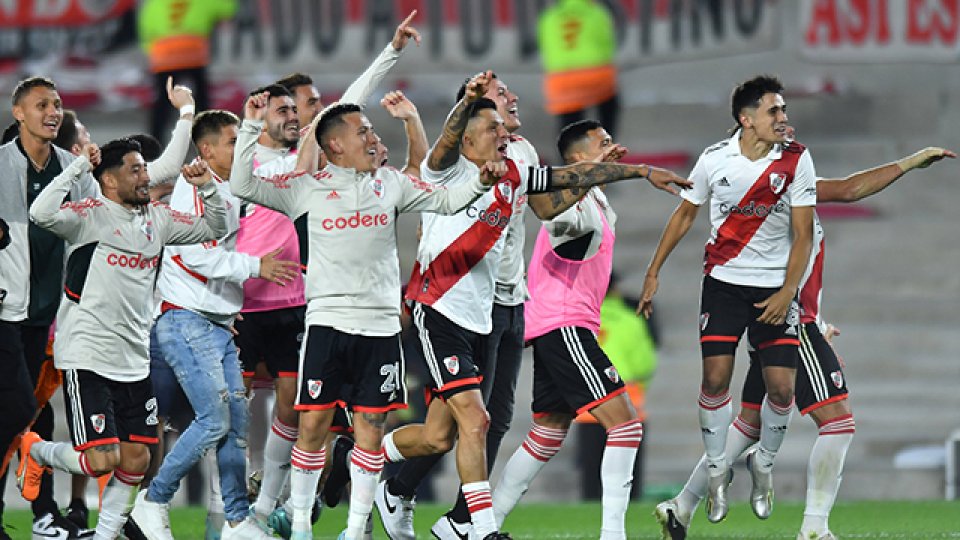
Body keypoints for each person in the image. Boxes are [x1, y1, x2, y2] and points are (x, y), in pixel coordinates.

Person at [375, 73, 688, 540]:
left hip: (498, 308)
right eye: (495, 112)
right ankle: (475, 525)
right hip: (445, 306)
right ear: (469, 131)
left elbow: (559, 181)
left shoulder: (517, 166)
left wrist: (640, 171)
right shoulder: (450, 168)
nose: (508, 114)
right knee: (479, 420)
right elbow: (443, 156)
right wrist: (446, 109)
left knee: (463, 430)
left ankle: (387, 472)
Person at [230, 82, 501, 539]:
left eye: (373, 131)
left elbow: (447, 200)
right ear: (335, 144)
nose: (374, 139)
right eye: (364, 132)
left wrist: (479, 183)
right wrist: (250, 127)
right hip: (327, 322)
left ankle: (355, 531)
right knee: (313, 424)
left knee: (371, 427)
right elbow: (242, 184)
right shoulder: (305, 188)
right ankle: (301, 526)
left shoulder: (391, 184)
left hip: (379, 327)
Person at [653, 144, 955, 540]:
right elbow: (845, 192)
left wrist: (910, 163)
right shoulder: (767, 201)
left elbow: (849, 187)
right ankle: (814, 528)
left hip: (786, 320)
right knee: (838, 422)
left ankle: (681, 506)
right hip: (791, 323)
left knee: (749, 425)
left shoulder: (795, 189)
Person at [239, 15, 422, 535]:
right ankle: (257, 512)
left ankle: (289, 509)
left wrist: (391, 51)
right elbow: (233, 197)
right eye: (302, 105)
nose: (311, 112)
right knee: (269, 416)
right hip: (260, 298)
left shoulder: (317, 161)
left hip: (310, 299)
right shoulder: (278, 167)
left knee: (315, 416)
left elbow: (353, 103)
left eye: (315, 106)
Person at [17, 137, 227, 540]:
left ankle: (105, 536)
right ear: (109, 181)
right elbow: (40, 212)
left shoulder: (158, 219)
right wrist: (79, 167)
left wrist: (208, 190)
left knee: (137, 459)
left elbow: (215, 227)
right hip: (87, 352)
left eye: (145, 168)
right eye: (136, 169)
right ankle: (37, 450)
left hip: (133, 358)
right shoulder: (90, 215)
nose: (145, 176)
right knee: (102, 460)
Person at [639, 74, 817, 524]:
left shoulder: (796, 159)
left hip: (774, 287)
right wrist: (654, 270)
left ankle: (763, 464)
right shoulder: (714, 159)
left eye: (784, 109)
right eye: (774, 110)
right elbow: (685, 214)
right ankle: (718, 470)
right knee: (716, 380)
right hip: (723, 285)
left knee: (782, 389)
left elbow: (803, 234)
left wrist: (788, 291)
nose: (783, 117)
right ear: (746, 118)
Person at [491, 120, 666, 540]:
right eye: (602, 143)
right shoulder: (569, 205)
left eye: (610, 139)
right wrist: (614, 175)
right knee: (625, 426)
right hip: (564, 323)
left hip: (560, 323)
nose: (612, 147)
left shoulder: (596, 201)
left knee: (548, 433)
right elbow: (550, 213)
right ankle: (612, 534)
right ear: (577, 160)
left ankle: (480, 525)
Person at [129, 110, 299, 540]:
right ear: (206, 150)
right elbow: (194, 256)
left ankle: (237, 521)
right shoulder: (193, 188)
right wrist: (254, 266)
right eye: (231, 141)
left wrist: (226, 305)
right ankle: (153, 501)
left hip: (215, 324)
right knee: (213, 420)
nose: (240, 149)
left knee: (235, 425)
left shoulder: (225, 188)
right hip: (185, 321)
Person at [0, 76, 101, 540]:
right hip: (4, 310)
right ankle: (42, 510)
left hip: (42, 313)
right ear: (18, 113)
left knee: (19, 414)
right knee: (21, 407)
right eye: (41, 104)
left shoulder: (70, 169)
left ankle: (38, 513)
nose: (52, 112)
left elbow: (95, 225)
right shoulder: (2, 164)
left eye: (57, 104)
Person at [138, 0, 236, 140]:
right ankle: (207, 137)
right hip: (193, 54)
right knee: (201, 99)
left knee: (163, 103)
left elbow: (146, 30)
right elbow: (227, 8)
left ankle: (155, 141)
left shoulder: (155, 3)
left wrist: (150, 51)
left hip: (164, 56)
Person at [537, 0, 619, 139]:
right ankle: (605, 143)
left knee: (569, 126)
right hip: (595, 74)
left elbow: (546, 49)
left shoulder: (548, 17)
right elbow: (608, 45)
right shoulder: (597, 12)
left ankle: (571, 149)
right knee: (609, 106)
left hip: (561, 80)